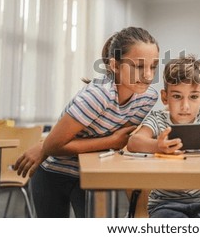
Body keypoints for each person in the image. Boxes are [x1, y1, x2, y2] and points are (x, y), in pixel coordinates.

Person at [19, 27, 159, 218]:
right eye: (139, 66)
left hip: (90, 172)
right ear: (115, 66)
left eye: (153, 66)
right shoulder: (98, 95)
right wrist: (110, 142)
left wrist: (114, 141)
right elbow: (54, 146)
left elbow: (120, 138)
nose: (149, 76)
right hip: (53, 173)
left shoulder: (148, 97)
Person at [127, 55, 200, 218]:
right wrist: (157, 146)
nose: (185, 106)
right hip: (165, 203)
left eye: (193, 96)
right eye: (177, 96)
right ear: (165, 97)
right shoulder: (158, 118)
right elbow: (134, 141)